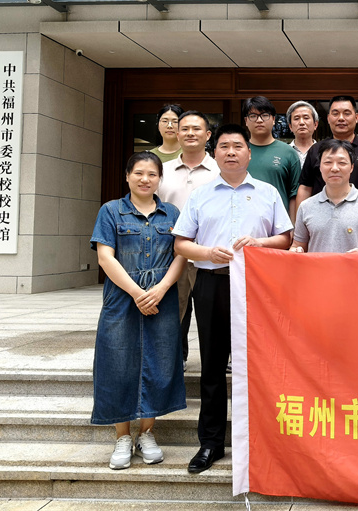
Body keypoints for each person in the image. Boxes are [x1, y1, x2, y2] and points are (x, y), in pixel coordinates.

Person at [173, 124, 293, 474]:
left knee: (260, 365)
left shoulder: (268, 192)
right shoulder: (201, 195)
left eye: (237, 146)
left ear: (249, 153)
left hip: (258, 287)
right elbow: (181, 244)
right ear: (215, 153)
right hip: (211, 284)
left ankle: (263, 440)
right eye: (223, 146)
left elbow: (285, 239)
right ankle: (211, 443)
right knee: (212, 366)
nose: (230, 152)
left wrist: (260, 243)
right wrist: (208, 252)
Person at [90, 152, 187, 470]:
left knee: (159, 362)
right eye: (139, 173)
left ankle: (147, 433)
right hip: (121, 298)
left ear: (160, 179)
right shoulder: (111, 211)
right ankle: (122, 436)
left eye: (152, 174)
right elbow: (105, 257)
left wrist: (160, 289)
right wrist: (136, 293)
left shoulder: (172, 213)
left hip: (162, 298)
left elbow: (181, 255)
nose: (145, 179)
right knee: (117, 363)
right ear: (127, 176)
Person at [157, 111, 219, 370]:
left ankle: (219, 359)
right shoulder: (163, 171)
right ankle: (176, 357)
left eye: (196, 129)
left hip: (210, 253)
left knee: (213, 311)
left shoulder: (220, 170)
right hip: (171, 252)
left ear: (208, 135)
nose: (190, 133)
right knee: (174, 308)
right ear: (177, 134)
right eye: (185, 129)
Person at [292, 139, 358, 253]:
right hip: (318, 265)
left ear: (352, 167)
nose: (334, 168)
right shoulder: (306, 207)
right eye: (328, 162)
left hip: (355, 265)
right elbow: (297, 245)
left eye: (342, 163)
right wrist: (296, 251)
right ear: (320, 167)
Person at [297, 95, 358, 203]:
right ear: (328, 118)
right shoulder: (316, 149)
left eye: (347, 113)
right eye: (335, 114)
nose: (341, 118)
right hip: (321, 211)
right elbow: (305, 188)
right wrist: (300, 214)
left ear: (356, 117)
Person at [242, 96, 301, 220]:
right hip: (242, 220)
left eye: (264, 115)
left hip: (278, 224)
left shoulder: (288, 153)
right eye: (253, 116)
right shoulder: (239, 151)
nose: (259, 120)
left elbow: (294, 194)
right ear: (246, 121)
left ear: (273, 119)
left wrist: (292, 225)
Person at [286, 100, 319, 166]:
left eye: (306, 118)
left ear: (315, 124)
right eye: (296, 118)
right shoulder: (284, 151)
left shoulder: (323, 151)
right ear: (290, 126)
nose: (301, 122)